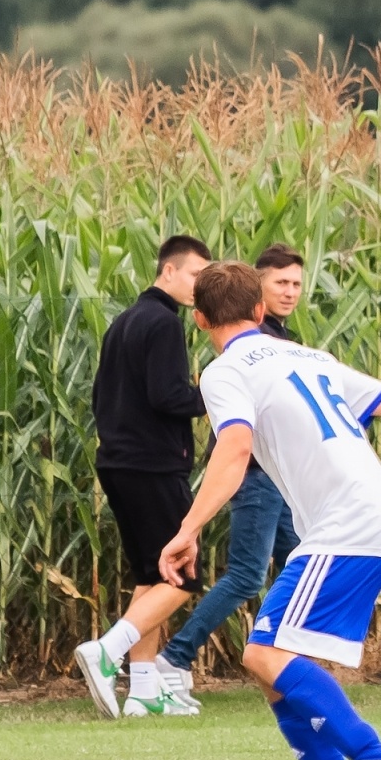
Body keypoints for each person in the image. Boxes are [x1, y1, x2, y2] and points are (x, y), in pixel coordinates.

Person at [80, 261, 381, 760]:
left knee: (264, 655)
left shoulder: (223, 371)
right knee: (271, 670)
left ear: (199, 319)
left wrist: (186, 530)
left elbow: (234, 450)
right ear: (261, 311)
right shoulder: (311, 357)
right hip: (369, 519)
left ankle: (374, 757)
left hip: (347, 524)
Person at [155, 244, 307, 691]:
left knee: (297, 561)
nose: (291, 291)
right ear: (257, 297)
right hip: (256, 476)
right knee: (246, 575)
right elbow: (239, 434)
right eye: (281, 282)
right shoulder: (260, 348)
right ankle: (175, 657)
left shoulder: (284, 341)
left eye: (297, 283)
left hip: (278, 479)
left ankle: (283, 662)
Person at [86, 234, 213, 719]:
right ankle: (105, 652)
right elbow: (168, 396)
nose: (200, 288)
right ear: (169, 272)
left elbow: (102, 393)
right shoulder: (163, 323)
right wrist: (214, 398)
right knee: (181, 575)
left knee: (150, 575)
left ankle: (142, 690)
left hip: (118, 462)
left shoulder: (124, 321)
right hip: (153, 464)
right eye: (196, 276)